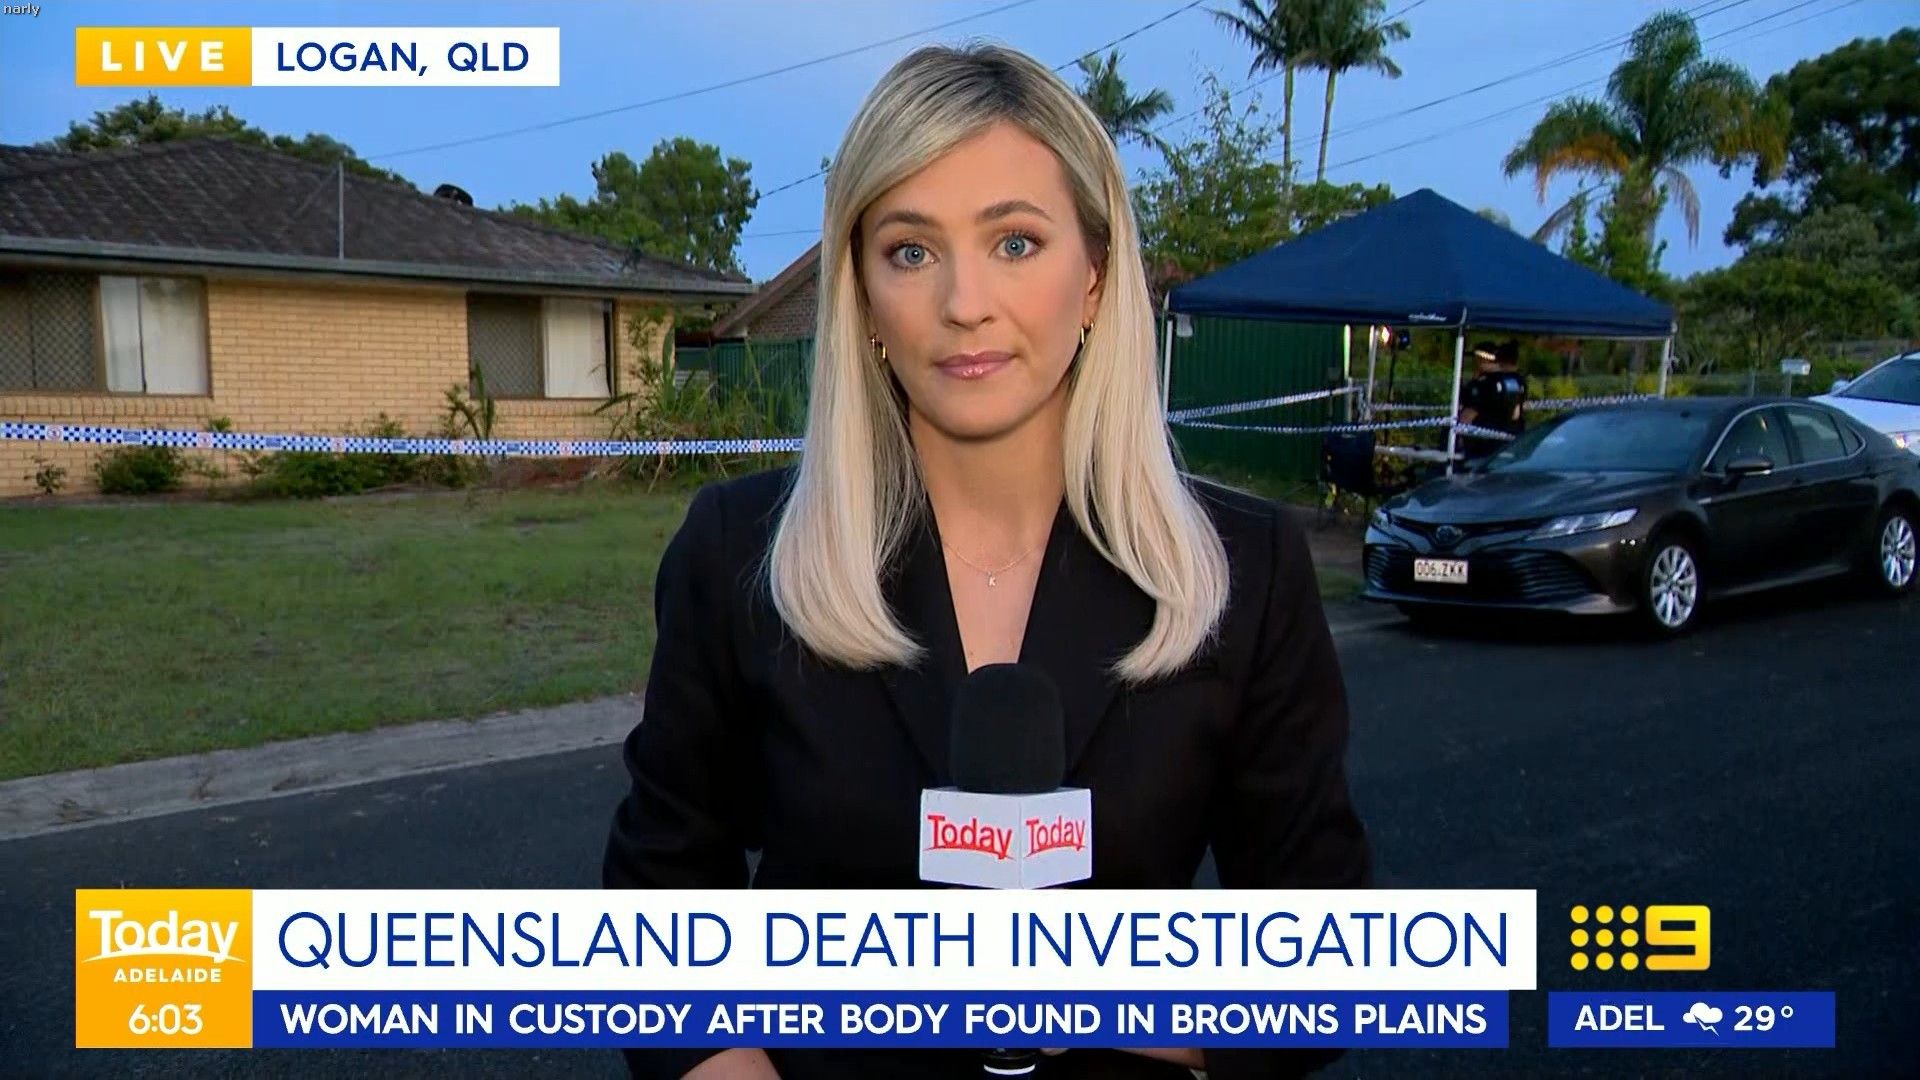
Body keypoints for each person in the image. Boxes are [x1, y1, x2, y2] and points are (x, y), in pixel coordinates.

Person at [603, 43, 1371, 1080]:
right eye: (911, 251)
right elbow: (659, 909)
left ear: (1094, 276)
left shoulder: (1246, 568)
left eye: (1015, 241)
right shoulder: (740, 554)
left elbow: (1326, 945)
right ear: (861, 293)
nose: (964, 301)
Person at [1457, 340, 1527, 462]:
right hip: (1509, 437)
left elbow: (1468, 415)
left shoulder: (1484, 383)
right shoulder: (1516, 381)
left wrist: (1458, 437)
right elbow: (1516, 413)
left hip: (1482, 441)